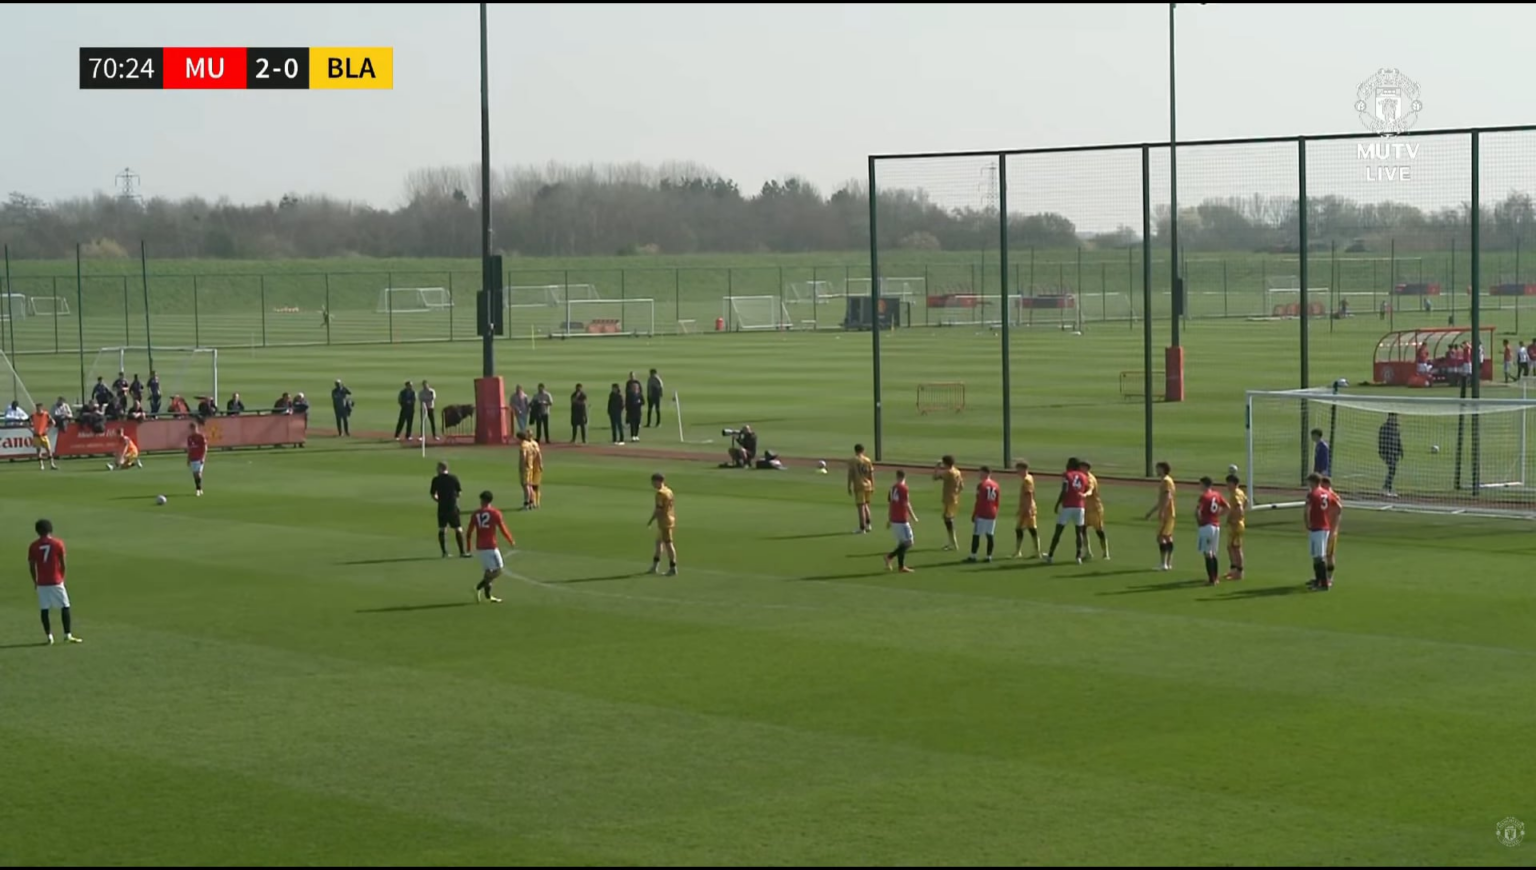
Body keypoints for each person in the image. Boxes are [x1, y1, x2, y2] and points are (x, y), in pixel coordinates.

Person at [28, 519, 81, 645]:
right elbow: (63, 563)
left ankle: (49, 637)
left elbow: (31, 566)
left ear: (37, 531)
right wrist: (62, 577)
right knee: (65, 605)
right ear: (50, 529)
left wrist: (35, 580)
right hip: (56, 580)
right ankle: (67, 634)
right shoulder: (58, 543)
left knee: (44, 609)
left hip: (42, 582)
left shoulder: (33, 546)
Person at [470, 491, 516, 604]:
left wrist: (468, 545)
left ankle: (488, 595)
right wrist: (510, 539)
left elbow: (470, 531)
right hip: (490, 546)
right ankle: (478, 587)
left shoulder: (476, 514)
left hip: (481, 547)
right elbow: (502, 528)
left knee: (489, 571)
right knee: (498, 570)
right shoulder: (495, 513)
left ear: (482, 500)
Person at [1045, 457, 1090, 564]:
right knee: (1078, 532)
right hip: (1080, 506)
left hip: (1068, 506)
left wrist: (1058, 503)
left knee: (1058, 531)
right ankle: (1078, 556)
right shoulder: (1084, 476)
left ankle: (1050, 555)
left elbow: (1064, 490)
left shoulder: (1067, 475)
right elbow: (1086, 489)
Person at [1303, 473, 1339, 591]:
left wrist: (1307, 523)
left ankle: (1323, 584)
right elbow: (1338, 507)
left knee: (1319, 556)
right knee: (1317, 555)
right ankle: (1318, 581)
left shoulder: (1312, 494)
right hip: (1324, 527)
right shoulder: (1327, 493)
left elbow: (1307, 511)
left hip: (1317, 528)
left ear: (1313, 482)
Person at [430, 460, 469, 559]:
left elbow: (433, 494)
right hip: (452, 507)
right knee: (458, 529)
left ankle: (444, 552)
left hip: (442, 508)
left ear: (441, 468)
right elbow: (459, 492)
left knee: (442, 529)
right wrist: (454, 499)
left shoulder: (436, 480)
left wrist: (438, 500)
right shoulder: (453, 478)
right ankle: (462, 552)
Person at [1195, 477, 1229, 586]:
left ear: (1204, 485)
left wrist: (1199, 521)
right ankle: (1215, 578)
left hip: (1206, 527)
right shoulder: (1217, 494)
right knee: (1213, 552)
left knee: (1207, 553)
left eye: (1200, 484)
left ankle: (1212, 579)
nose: (1199, 486)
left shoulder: (1204, 497)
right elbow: (1227, 507)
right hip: (1216, 526)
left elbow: (1198, 511)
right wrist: (1218, 515)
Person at [1143, 461, 1176, 571]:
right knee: (1168, 537)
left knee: (1160, 537)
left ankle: (1163, 564)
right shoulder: (1169, 480)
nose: (1156, 470)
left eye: (1157, 468)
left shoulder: (1166, 481)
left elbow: (1167, 497)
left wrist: (1162, 511)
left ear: (1162, 469)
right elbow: (1162, 500)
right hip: (1170, 513)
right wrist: (1151, 512)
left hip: (1167, 513)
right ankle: (1169, 563)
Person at [884, 469, 918, 574]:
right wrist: (914, 517)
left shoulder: (892, 488)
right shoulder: (904, 488)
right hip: (902, 519)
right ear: (904, 477)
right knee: (909, 542)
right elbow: (906, 504)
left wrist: (889, 518)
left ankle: (901, 567)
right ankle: (889, 556)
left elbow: (890, 504)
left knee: (902, 543)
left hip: (894, 519)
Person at [967, 466, 1001, 563]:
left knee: (976, 534)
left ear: (986, 473)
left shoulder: (981, 485)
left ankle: (973, 556)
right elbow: (997, 501)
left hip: (983, 512)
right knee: (990, 535)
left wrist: (975, 514)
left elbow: (979, 501)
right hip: (992, 513)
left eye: (981, 473)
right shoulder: (996, 485)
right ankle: (989, 556)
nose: (979, 475)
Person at [648, 472, 678, 576]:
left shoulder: (660, 494)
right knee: (658, 543)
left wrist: (651, 520)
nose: (652, 484)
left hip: (664, 522)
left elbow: (658, 509)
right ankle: (655, 566)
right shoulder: (669, 491)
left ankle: (673, 567)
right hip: (669, 519)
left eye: (653, 482)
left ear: (657, 481)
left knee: (668, 544)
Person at [1081, 460, 1110, 561]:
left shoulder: (1090, 479)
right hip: (1086, 509)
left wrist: (1085, 494)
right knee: (1082, 530)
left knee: (1099, 531)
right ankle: (1087, 551)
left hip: (1095, 509)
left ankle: (1105, 552)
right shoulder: (1082, 478)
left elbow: (1090, 489)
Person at [933, 455, 964, 551]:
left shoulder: (949, 473)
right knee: (949, 520)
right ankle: (951, 542)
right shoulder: (957, 472)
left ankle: (953, 543)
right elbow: (962, 486)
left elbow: (935, 477)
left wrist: (937, 467)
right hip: (954, 499)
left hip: (948, 499)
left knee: (948, 521)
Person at [1012, 460, 1040, 559]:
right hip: (1027, 507)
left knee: (1024, 529)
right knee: (1029, 529)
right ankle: (1035, 550)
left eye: (1018, 469)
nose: (1017, 472)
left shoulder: (1026, 480)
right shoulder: (1029, 478)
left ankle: (1020, 551)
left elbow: (1029, 494)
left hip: (1027, 508)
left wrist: (1027, 509)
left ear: (1023, 469)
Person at [1223, 474, 1248, 580]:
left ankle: (1239, 572)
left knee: (1236, 548)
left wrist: (1235, 518)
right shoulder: (1240, 492)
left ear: (1233, 484)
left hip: (1236, 525)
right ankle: (1234, 569)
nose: (1227, 486)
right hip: (1237, 523)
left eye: (1228, 484)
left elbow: (1240, 508)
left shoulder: (1235, 494)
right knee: (1230, 546)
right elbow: (1246, 502)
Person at [847, 443, 876, 534]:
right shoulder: (867, 460)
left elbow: (850, 474)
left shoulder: (853, 460)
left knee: (860, 507)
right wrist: (873, 485)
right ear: (863, 450)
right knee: (866, 505)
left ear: (855, 450)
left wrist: (848, 486)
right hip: (868, 485)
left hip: (859, 485)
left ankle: (862, 527)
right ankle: (868, 525)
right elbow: (871, 474)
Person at [1377, 411, 1404, 497]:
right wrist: (1382, 451)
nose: (1395, 419)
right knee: (1392, 469)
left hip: (1394, 452)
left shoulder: (1396, 428)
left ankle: (1387, 487)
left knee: (1392, 470)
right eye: (1393, 417)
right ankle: (1386, 488)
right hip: (1387, 452)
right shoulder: (1385, 427)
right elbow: (1381, 440)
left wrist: (1401, 450)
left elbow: (1398, 439)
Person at [517, 430, 544, 510]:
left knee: (526, 485)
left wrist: (522, 465)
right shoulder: (531, 444)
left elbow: (523, 456)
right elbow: (537, 454)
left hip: (526, 467)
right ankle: (532, 502)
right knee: (530, 485)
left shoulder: (523, 445)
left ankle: (527, 502)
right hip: (531, 466)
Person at [31, 403, 57, 471]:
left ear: (41, 408)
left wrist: (48, 429)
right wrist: (31, 430)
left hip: (44, 435)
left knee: (48, 450)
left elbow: (53, 422)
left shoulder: (46, 414)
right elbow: (26, 423)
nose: (38, 409)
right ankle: (41, 465)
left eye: (39, 408)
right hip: (36, 435)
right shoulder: (33, 415)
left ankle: (52, 464)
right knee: (39, 450)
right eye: (37, 408)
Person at [186, 422, 207, 497]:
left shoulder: (201, 437)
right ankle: (199, 487)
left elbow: (205, 448)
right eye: (191, 429)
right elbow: (189, 449)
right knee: (195, 474)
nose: (193, 430)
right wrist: (188, 459)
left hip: (199, 458)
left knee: (198, 473)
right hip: (193, 458)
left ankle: (198, 489)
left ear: (196, 428)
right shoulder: (189, 438)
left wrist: (203, 457)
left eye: (194, 429)